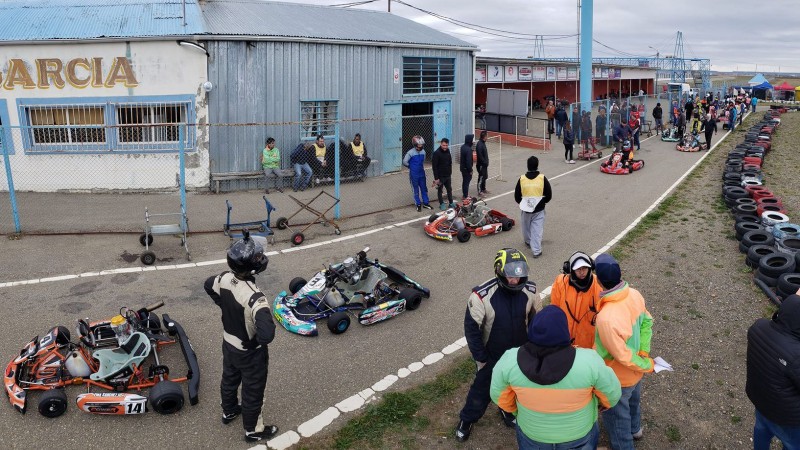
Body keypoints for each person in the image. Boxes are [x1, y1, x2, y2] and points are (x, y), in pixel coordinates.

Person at [491, 306, 621, 450]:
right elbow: (612, 394)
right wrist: (601, 404)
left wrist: (518, 410)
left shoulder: (510, 359)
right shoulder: (589, 361)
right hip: (578, 434)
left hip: (533, 434)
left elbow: (498, 395)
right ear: (564, 331)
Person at [455, 248, 538, 442]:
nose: (514, 280)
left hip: (520, 353)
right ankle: (467, 420)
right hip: (491, 355)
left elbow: (536, 321)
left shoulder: (531, 291)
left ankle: (506, 410)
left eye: (519, 274)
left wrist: (533, 350)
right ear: (499, 271)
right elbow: (471, 330)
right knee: (481, 390)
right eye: (510, 275)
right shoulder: (481, 295)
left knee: (513, 386)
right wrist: (481, 358)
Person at [204, 232, 278, 443]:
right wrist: (255, 342)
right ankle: (253, 430)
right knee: (253, 390)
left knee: (229, 378)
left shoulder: (224, 278)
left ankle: (229, 411)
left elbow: (208, 285)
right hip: (250, 353)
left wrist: (224, 307)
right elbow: (267, 334)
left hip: (229, 344)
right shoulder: (255, 298)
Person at [593, 253, 654, 450]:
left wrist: (647, 364)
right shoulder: (634, 294)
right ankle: (636, 429)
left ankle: (623, 445)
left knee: (617, 418)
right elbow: (647, 322)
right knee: (634, 403)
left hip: (618, 379)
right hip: (636, 372)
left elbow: (622, 355)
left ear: (600, 281)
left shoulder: (606, 318)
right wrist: (644, 353)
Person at [746, 292, 800, 450]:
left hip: (761, 401)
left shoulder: (758, 327)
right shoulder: (796, 355)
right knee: (792, 444)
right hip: (788, 417)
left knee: (761, 430)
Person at [549, 251, 602, 349]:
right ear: (570, 270)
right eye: (578, 269)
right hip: (563, 339)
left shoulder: (599, 285)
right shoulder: (560, 282)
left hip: (588, 344)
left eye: (585, 268)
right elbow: (554, 309)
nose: (582, 272)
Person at [514, 156, 552, 258]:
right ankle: (536, 250)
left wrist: (523, 203)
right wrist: (543, 202)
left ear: (527, 166)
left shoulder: (521, 179)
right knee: (537, 229)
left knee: (525, 227)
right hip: (539, 209)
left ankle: (527, 241)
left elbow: (517, 196)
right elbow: (549, 194)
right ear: (537, 166)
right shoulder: (542, 178)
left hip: (525, 208)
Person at [402, 135, 432, 212]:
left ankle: (426, 203)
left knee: (424, 188)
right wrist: (411, 167)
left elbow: (423, 160)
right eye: (419, 144)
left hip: (421, 173)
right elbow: (404, 162)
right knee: (415, 189)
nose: (421, 146)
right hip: (414, 174)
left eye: (422, 144)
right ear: (415, 144)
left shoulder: (423, 152)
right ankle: (418, 204)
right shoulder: (410, 153)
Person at [431, 137, 455, 210]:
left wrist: (450, 172)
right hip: (440, 176)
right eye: (444, 145)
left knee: (449, 189)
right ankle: (441, 204)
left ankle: (451, 202)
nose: (445, 147)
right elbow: (434, 167)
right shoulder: (436, 153)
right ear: (441, 144)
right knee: (440, 190)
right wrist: (436, 178)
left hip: (448, 175)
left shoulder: (448, 151)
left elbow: (450, 162)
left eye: (446, 145)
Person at [460, 134, 474, 200]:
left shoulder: (463, 147)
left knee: (464, 182)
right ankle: (465, 196)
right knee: (466, 182)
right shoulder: (468, 150)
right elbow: (468, 162)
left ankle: (464, 194)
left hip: (462, 168)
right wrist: (470, 170)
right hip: (466, 169)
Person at [475, 131, 490, 196]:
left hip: (484, 165)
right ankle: (479, 191)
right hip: (481, 165)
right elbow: (480, 155)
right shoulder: (480, 144)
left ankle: (483, 189)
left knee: (484, 177)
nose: (488, 137)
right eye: (487, 136)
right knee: (481, 177)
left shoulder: (483, 143)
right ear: (484, 137)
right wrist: (484, 162)